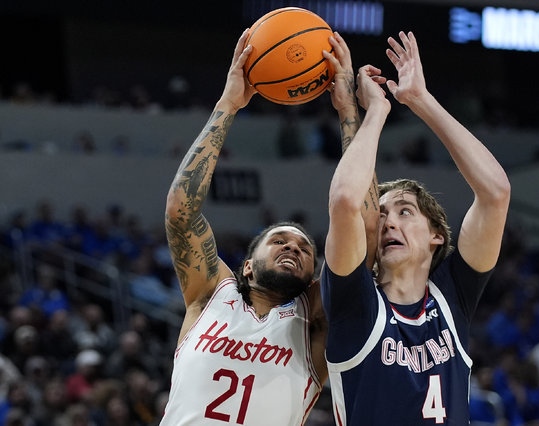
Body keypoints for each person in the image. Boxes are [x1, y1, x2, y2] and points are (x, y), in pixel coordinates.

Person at [160, 29, 373, 425]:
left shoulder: (314, 322)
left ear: (314, 276)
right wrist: (229, 103)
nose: (293, 248)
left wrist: (348, 113)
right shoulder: (211, 294)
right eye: (279, 241)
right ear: (246, 265)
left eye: (306, 249)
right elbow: (181, 212)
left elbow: (366, 232)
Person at [321, 31, 511, 425]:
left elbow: (495, 193)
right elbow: (346, 202)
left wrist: (421, 101)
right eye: (384, 214)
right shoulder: (355, 303)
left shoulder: (451, 297)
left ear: (436, 235)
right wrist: (370, 114)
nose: (389, 220)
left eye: (405, 211)